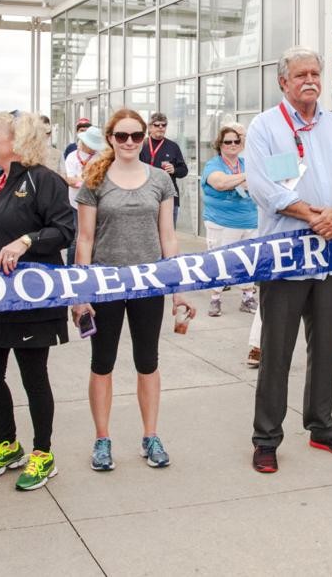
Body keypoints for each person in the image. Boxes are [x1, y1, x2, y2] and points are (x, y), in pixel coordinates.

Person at [244, 47, 332, 474]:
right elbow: (263, 187)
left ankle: (322, 426)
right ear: (284, 82)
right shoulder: (265, 127)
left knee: (327, 347)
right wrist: (313, 216)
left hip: (331, 255)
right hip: (285, 258)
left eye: (315, 73)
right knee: (276, 352)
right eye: (301, 75)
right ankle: (266, 437)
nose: (310, 80)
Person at [0, 112, 76, 492]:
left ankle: (43, 453)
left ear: (18, 142)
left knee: (32, 377)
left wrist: (27, 241)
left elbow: (64, 229)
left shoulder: (44, 180)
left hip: (30, 300)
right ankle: (7, 444)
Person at [73, 109, 197, 472]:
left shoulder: (160, 179)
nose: (129, 142)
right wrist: (80, 294)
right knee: (102, 363)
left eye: (136, 136)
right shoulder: (94, 179)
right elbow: (84, 240)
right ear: (110, 138)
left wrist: (178, 290)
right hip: (105, 284)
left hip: (148, 284)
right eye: (122, 136)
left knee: (148, 361)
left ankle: (150, 436)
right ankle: (102, 439)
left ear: (144, 138)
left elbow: (168, 238)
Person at [201, 124, 259, 317]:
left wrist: (240, 179)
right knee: (220, 261)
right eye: (228, 142)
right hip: (222, 223)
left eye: (236, 141)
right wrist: (246, 177)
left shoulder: (245, 163)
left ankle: (248, 298)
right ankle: (215, 299)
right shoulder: (213, 165)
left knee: (249, 260)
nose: (233, 144)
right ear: (220, 144)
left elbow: (256, 185)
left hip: (250, 221)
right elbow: (220, 183)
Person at [139, 112, 188, 226]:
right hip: (146, 196)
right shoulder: (141, 145)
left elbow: (184, 170)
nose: (161, 127)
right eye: (157, 125)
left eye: (164, 125)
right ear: (150, 127)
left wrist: (174, 170)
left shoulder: (173, 146)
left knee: (168, 231)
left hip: (169, 197)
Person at [64, 125, 104, 207]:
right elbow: (70, 181)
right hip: (74, 204)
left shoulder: (101, 158)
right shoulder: (72, 157)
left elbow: (102, 181)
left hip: (95, 203)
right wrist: (90, 180)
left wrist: (79, 179)